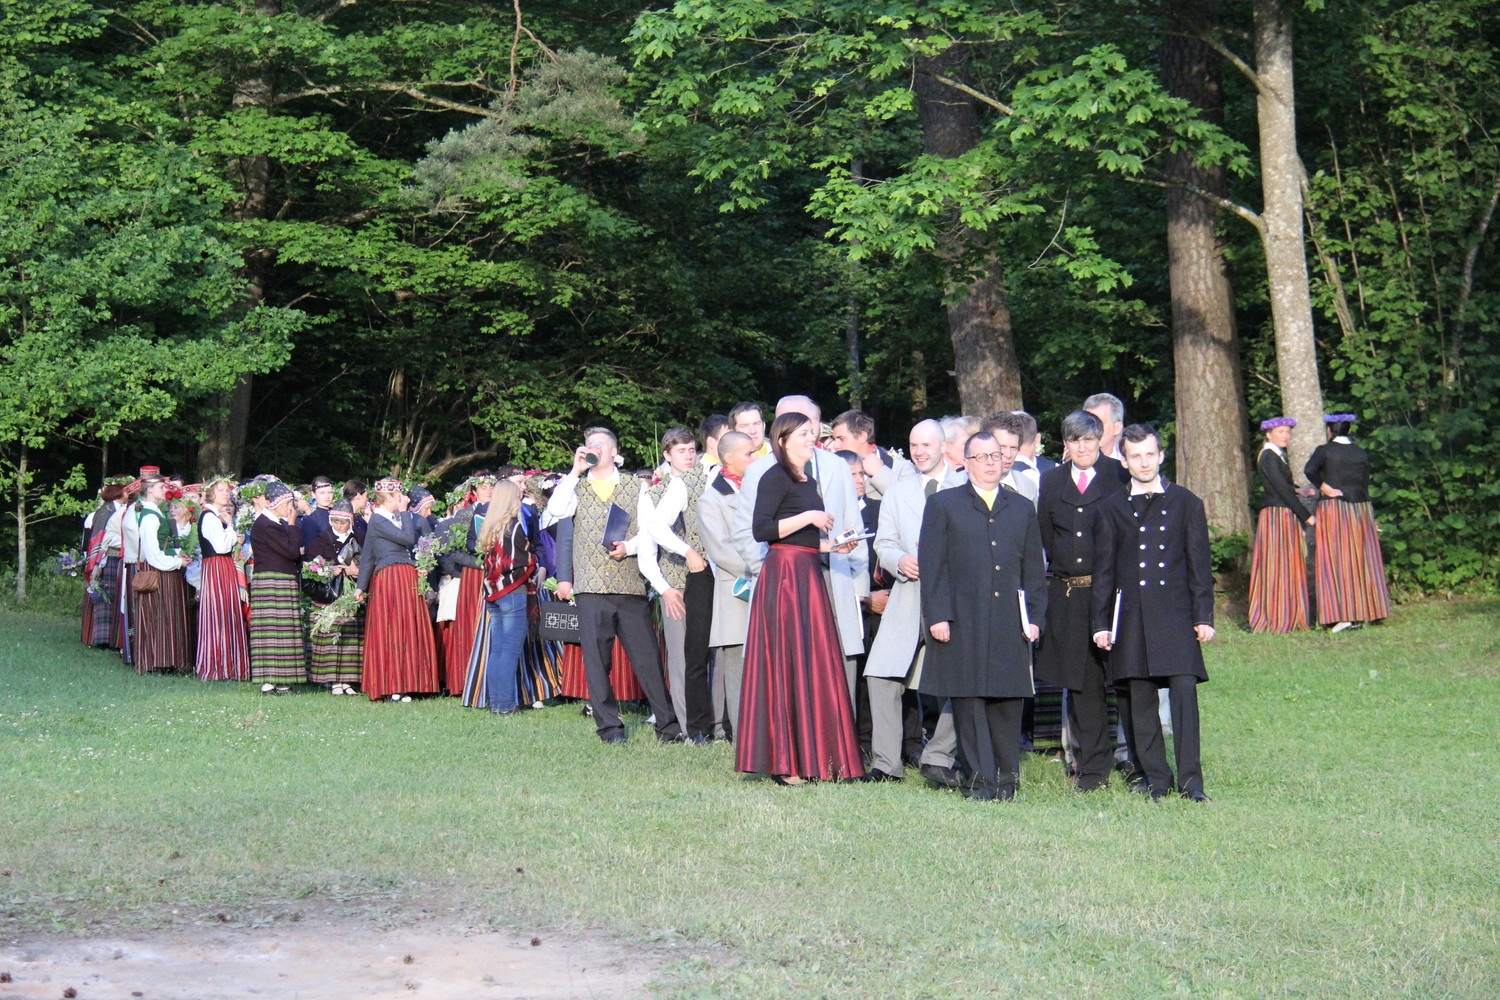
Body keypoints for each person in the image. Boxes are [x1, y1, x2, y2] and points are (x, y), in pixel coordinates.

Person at [737, 412, 865, 783]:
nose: (813, 439)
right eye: (805, 434)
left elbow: (802, 539)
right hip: (785, 579)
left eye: (813, 433)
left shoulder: (808, 480)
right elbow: (762, 529)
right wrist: (809, 515)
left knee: (813, 663)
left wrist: (832, 547)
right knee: (786, 663)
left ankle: (818, 757)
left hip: (808, 572)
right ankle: (785, 762)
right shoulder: (774, 476)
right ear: (784, 440)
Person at [919, 431, 1046, 801]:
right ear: (966, 463)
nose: (991, 463)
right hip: (962, 618)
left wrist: (1034, 617)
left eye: (996, 456)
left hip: (1010, 619)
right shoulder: (944, 504)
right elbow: (934, 565)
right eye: (982, 457)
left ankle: (1007, 781)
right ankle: (980, 781)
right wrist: (938, 616)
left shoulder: (1022, 507)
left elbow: (1034, 571)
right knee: (969, 702)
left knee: (1008, 701)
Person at [1091, 425, 1215, 801]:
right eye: (1135, 456)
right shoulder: (1111, 507)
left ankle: (1192, 782)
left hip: (1176, 617)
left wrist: (1203, 616)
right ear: (1124, 461)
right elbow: (1104, 570)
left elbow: (1199, 566)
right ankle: (1156, 780)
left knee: (1183, 699)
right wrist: (1100, 623)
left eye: (1150, 454)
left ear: (1161, 456)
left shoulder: (1187, 502)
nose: (1143, 462)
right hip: (1130, 619)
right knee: (1140, 702)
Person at [544, 427, 681, 744]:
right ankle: (609, 728)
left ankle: (668, 725)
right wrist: (574, 471)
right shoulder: (575, 488)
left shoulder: (636, 487)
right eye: (589, 444)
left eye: (599, 445)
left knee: (647, 658)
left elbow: (651, 530)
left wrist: (630, 547)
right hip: (591, 590)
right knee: (596, 662)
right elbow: (554, 511)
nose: (592, 449)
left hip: (629, 586)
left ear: (614, 451)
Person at [864, 418, 966, 784]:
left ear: (944, 447)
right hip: (908, 594)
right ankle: (886, 765)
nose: (920, 452)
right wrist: (899, 561)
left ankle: (938, 757)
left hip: (955, 598)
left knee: (964, 680)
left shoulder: (965, 485)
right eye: (914, 446)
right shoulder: (898, 491)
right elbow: (883, 543)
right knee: (880, 675)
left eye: (927, 445)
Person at [1035, 410, 1131, 791]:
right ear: (1066, 444)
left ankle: (1137, 760)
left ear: (1101, 440)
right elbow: (1045, 536)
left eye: (1089, 440)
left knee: (1126, 679)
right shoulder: (1052, 480)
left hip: (1111, 593)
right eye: (1075, 441)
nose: (1083, 447)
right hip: (1068, 594)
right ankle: (1092, 770)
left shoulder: (1119, 476)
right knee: (1081, 684)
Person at [644, 427, 716, 744]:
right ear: (667, 455)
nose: (689, 456)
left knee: (707, 652)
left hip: (705, 579)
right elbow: (647, 538)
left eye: (692, 450)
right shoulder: (656, 490)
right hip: (673, 580)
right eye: (681, 451)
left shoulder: (705, 479)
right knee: (682, 657)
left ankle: (714, 723)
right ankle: (690, 728)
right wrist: (663, 586)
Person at [357, 478, 440, 702]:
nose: (404, 499)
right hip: (390, 577)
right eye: (399, 496)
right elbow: (401, 541)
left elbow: (368, 556)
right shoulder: (378, 520)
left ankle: (408, 683)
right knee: (392, 629)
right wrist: (360, 587)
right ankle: (392, 684)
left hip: (406, 575)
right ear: (389, 498)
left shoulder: (392, 518)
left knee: (407, 628)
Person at [1304, 414, 1390, 632]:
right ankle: (1369, 609)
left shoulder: (1324, 451)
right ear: (1349, 430)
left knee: (1337, 558)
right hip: (1360, 509)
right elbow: (1364, 483)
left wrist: (1323, 487)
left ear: (1329, 430)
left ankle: (1344, 613)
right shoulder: (1360, 452)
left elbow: (1309, 470)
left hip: (1335, 508)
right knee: (1362, 558)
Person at [696, 431, 754, 741]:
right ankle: (744, 738)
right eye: (748, 453)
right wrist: (763, 569)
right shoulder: (711, 500)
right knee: (738, 670)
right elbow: (720, 550)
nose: (754, 458)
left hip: (767, 584)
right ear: (728, 457)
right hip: (737, 591)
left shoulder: (759, 489)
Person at [462, 481, 535, 714]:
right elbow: (520, 561)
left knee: (497, 650)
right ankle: (505, 705)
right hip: (512, 591)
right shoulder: (512, 526)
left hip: (493, 593)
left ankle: (496, 703)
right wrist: (533, 559)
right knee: (509, 651)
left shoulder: (489, 526)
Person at [1248, 417, 1314, 633]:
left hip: (1281, 513)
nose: (1286, 435)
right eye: (1281, 432)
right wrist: (1306, 516)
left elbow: (1282, 486)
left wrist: (1299, 490)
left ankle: (1287, 613)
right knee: (1279, 564)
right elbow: (1280, 490)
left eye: (1287, 432)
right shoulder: (1268, 456)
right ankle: (1279, 616)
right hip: (1277, 516)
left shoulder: (1275, 455)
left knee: (1285, 563)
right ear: (1269, 434)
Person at [132, 476, 195, 674]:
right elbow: (152, 553)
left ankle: (167, 660)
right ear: (149, 490)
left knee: (167, 617)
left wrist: (178, 556)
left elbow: (163, 546)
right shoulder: (150, 517)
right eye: (160, 487)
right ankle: (157, 661)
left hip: (165, 570)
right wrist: (176, 562)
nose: (163, 490)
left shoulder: (156, 513)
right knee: (159, 617)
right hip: (159, 574)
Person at [249, 481, 306, 693]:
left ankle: (283, 680)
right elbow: (292, 552)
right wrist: (292, 525)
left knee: (285, 631)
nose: (291, 507)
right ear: (275, 503)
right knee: (271, 632)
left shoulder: (276, 523)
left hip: (282, 579)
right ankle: (267, 681)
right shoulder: (265, 524)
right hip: (271, 581)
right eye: (288, 503)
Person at [305, 499, 364, 694]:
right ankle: (332, 680)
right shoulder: (322, 538)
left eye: (343, 522)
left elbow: (368, 562)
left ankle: (348, 681)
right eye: (336, 521)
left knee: (349, 636)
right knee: (330, 635)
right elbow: (310, 565)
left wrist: (356, 570)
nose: (339, 525)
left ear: (350, 522)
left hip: (350, 593)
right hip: (329, 595)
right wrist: (329, 570)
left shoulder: (360, 539)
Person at [195, 477, 250, 682]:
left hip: (221, 566)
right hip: (217, 566)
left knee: (225, 613)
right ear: (210, 494)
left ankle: (229, 665)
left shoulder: (217, 515)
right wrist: (230, 528)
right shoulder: (210, 517)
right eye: (221, 491)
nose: (226, 494)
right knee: (220, 614)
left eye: (227, 491)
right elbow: (221, 546)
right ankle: (219, 666)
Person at [828, 409, 915, 502]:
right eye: (834, 439)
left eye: (841, 439)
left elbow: (910, 504)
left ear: (862, 436)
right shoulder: (834, 468)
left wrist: (880, 473)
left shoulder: (901, 469)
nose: (835, 445)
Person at [86, 483, 129, 649]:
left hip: (116, 556)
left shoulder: (117, 509)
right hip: (107, 556)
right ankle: (103, 639)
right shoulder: (107, 511)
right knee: (106, 598)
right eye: (125, 490)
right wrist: (97, 561)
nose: (127, 493)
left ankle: (112, 638)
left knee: (114, 597)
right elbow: (100, 538)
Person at [1084, 392, 1126, 466]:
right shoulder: (1069, 468)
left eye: (1099, 423)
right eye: (1087, 423)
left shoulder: (1128, 468)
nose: (1092, 429)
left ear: (1117, 428)